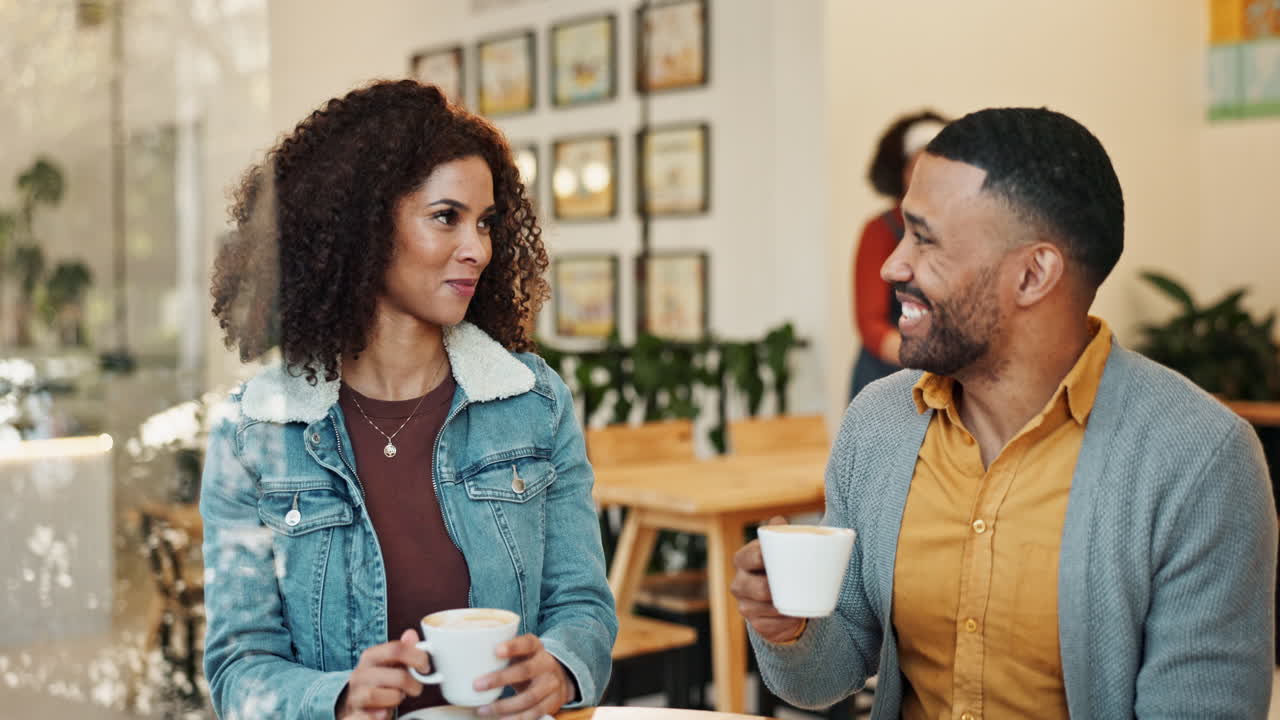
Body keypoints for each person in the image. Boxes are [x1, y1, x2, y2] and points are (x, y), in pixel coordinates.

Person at [732, 107, 1276, 718]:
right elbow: (829, 673)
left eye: (925, 238)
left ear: (1033, 274)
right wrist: (790, 628)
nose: (893, 266)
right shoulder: (879, 423)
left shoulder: (1199, 460)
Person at [200, 80, 617, 720]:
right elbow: (239, 667)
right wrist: (338, 698)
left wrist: (560, 666)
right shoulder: (254, 434)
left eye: (485, 223)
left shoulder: (535, 402)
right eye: (445, 217)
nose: (477, 248)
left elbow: (583, 603)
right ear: (363, 226)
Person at [848, 111, 947, 401]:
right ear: (903, 173)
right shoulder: (879, 231)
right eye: (919, 168)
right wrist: (928, 361)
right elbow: (870, 324)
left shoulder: (964, 230)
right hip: (889, 376)